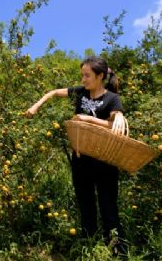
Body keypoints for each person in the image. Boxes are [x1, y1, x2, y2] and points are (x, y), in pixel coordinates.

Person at [26, 56, 127, 254]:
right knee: (86, 208)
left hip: (104, 163)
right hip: (81, 162)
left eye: (87, 75)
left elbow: (114, 126)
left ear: (100, 76)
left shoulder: (112, 99)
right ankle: (90, 250)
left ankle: (118, 253)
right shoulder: (81, 93)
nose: (83, 80)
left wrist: (87, 118)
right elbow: (54, 93)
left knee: (109, 211)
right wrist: (36, 105)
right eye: (82, 75)